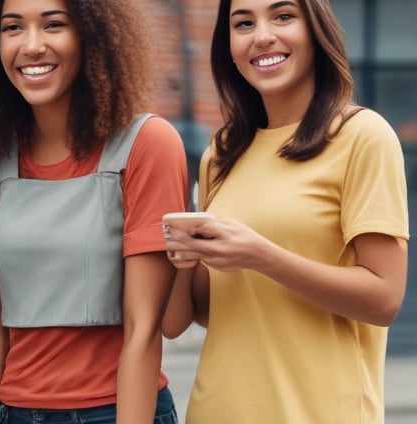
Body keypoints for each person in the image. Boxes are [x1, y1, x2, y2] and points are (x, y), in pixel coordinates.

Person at [161, 0, 408, 422]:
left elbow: (384, 299)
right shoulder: (221, 153)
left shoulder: (362, 136)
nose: (262, 36)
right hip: (217, 410)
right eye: (243, 23)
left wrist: (262, 256)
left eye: (283, 16)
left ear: (316, 30)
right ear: (230, 47)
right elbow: (199, 313)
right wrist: (185, 259)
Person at [0, 0, 188, 423]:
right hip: (16, 412)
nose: (31, 45)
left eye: (54, 25)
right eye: (13, 28)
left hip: (115, 410)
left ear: (93, 36)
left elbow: (145, 330)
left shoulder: (147, 144)